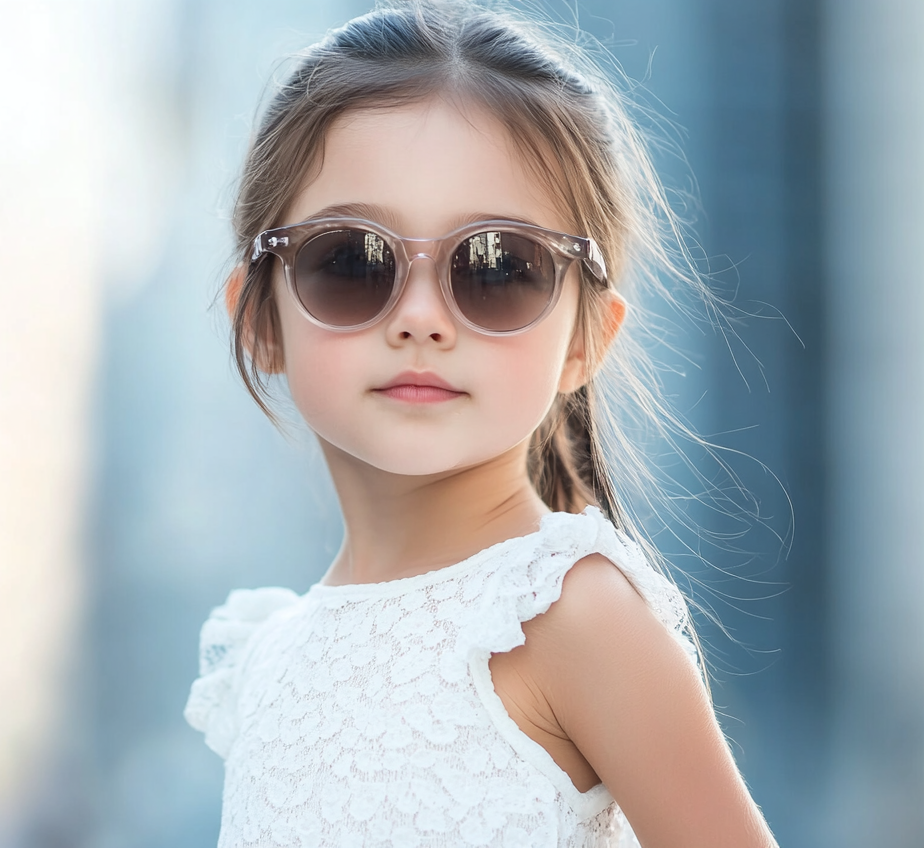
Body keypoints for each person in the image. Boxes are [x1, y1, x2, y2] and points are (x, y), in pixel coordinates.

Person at [182, 2, 780, 846]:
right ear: (259, 320)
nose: (422, 319)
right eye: (351, 261)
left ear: (585, 338)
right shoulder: (263, 659)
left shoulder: (574, 617)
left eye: (499, 268)